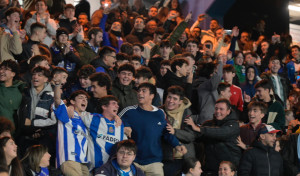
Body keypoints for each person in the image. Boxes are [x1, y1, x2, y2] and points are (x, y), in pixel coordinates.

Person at [119, 83, 187, 176]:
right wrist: (124, 125)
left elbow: (166, 132)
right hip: (134, 161)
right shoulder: (129, 111)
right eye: (139, 91)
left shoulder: (160, 113)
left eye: (143, 91)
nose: (139, 93)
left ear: (152, 95)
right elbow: (114, 121)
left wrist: (177, 144)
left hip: (154, 162)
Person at [185, 98, 240, 175]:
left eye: (221, 109)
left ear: (228, 111)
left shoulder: (234, 125)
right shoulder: (208, 124)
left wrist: (199, 129)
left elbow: (221, 132)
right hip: (210, 169)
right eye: (216, 108)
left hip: (227, 171)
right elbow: (196, 137)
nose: (218, 111)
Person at [52, 89, 90, 176]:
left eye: (86, 99)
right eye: (81, 98)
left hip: (83, 162)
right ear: (72, 101)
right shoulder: (68, 114)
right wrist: (58, 84)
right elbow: (57, 100)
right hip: (69, 158)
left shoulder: (86, 119)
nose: (84, 100)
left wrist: (116, 117)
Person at [163, 86, 197, 175]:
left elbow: (191, 136)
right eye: (169, 97)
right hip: (166, 158)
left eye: (175, 99)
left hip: (185, 159)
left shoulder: (187, 113)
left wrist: (175, 132)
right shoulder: (159, 111)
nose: (170, 101)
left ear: (180, 101)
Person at [0, 60, 25, 125]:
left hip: (10, 130)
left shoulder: (20, 91)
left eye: (5, 69)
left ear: (13, 74)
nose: (1, 71)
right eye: (1, 68)